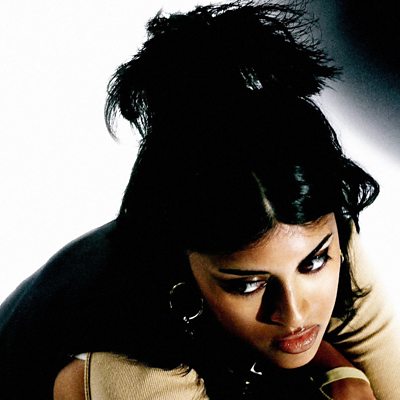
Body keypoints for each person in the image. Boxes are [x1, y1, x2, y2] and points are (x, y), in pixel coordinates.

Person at [1, 1, 399, 399]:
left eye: (312, 264)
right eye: (248, 285)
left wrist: (341, 373)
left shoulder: (319, 238)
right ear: (182, 264)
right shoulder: (131, 369)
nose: (294, 313)